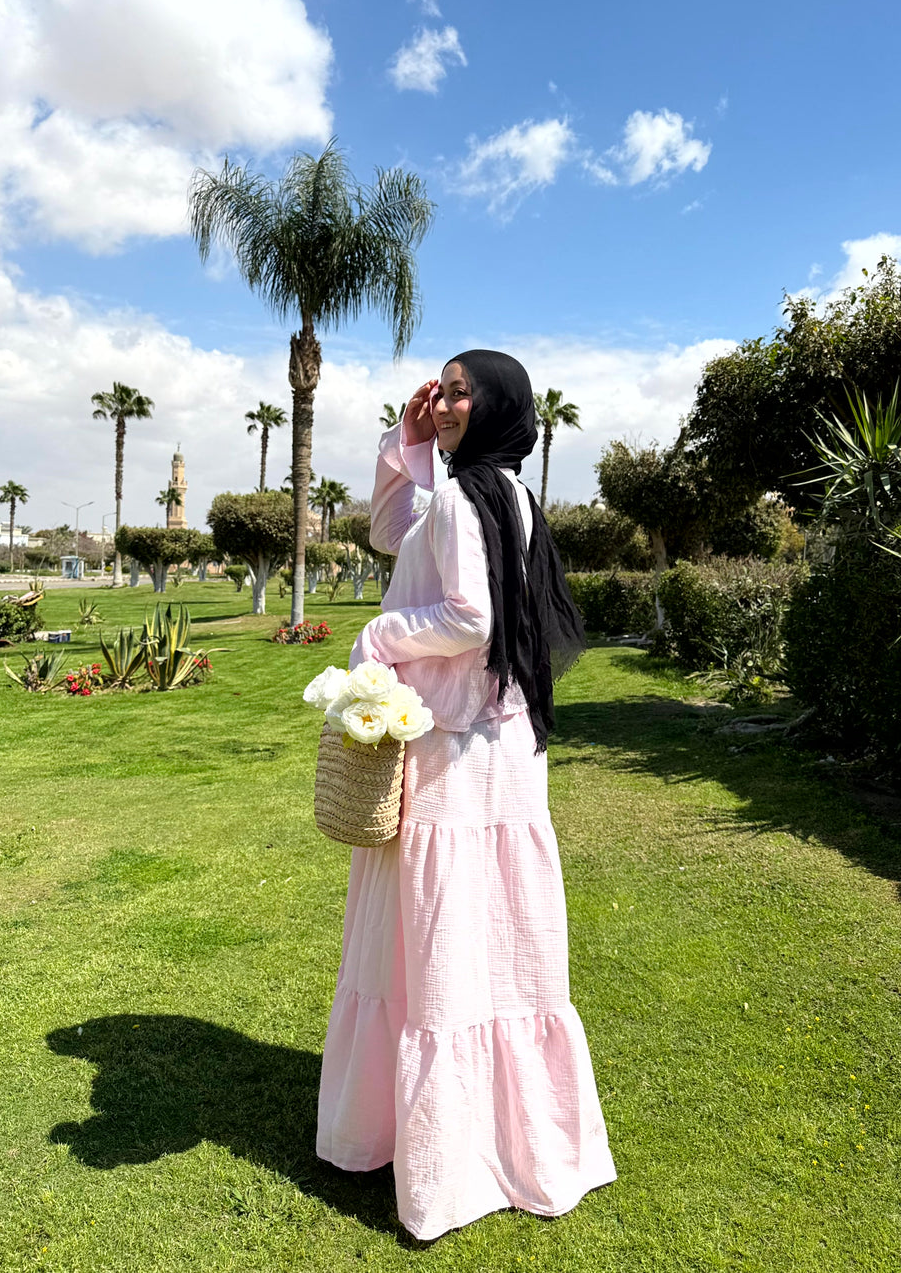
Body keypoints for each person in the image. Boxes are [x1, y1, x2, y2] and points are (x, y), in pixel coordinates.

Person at [316, 350, 616, 1240]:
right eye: (439, 391)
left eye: (457, 392)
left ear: (493, 407)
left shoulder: (466, 500)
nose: (443, 403)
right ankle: (504, 1133)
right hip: (503, 747)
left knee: (435, 939)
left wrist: (377, 632)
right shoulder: (503, 495)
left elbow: (468, 617)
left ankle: (441, 1147)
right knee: (496, 939)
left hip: (452, 749)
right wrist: (408, 442)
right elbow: (391, 534)